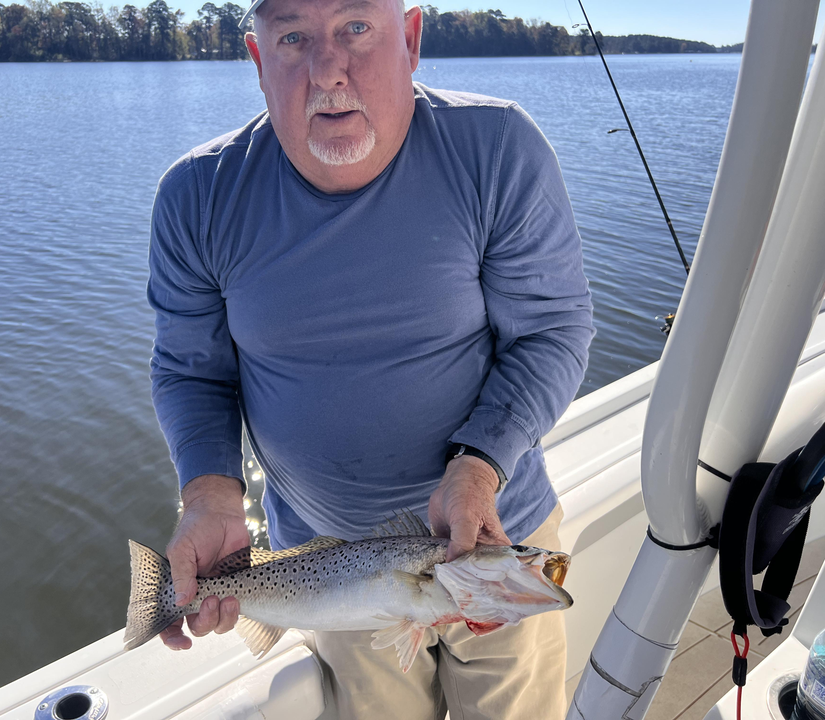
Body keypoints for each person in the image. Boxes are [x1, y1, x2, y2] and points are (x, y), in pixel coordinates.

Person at [145, 0, 594, 715]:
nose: (328, 70)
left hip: (495, 534)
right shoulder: (196, 197)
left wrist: (478, 468)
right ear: (259, 64)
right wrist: (209, 495)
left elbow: (552, 331)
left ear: (410, 38)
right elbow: (192, 370)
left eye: (356, 26)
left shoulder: (497, 148)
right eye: (293, 37)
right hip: (324, 568)